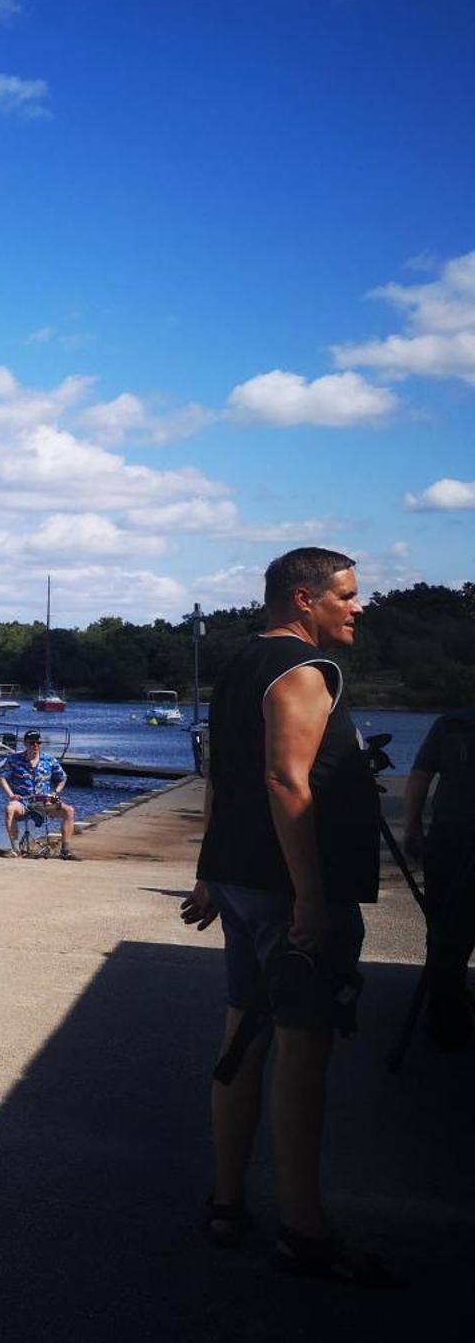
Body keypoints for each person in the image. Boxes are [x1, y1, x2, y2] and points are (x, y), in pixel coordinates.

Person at [180, 547, 396, 1285]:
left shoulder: (242, 665)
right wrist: (311, 899)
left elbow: (222, 773)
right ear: (304, 600)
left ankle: (227, 1202)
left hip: (239, 879)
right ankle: (303, 1229)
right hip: (289, 890)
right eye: (347, 594)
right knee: (302, 1054)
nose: (358, 606)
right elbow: (283, 780)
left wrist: (209, 872)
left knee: (243, 1036)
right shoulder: (304, 672)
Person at [405, 706, 475, 1050]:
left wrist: (413, 826)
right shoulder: (449, 724)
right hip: (452, 840)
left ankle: (443, 1013)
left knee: (444, 930)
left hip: (450, 838)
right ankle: (447, 1009)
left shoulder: (450, 724)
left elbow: (420, 775)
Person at [0, 731, 72, 855]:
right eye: (32, 743)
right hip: (23, 801)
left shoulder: (49, 760)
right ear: (25, 743)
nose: (35, 745)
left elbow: (62, 777)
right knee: (9, 809)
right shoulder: (14, 759)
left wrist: (56, 792)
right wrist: (11, 795)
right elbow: (2, 777)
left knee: (69, 810)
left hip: (45, 801)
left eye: (38, 742)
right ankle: (15, 848)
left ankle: (65, 850)